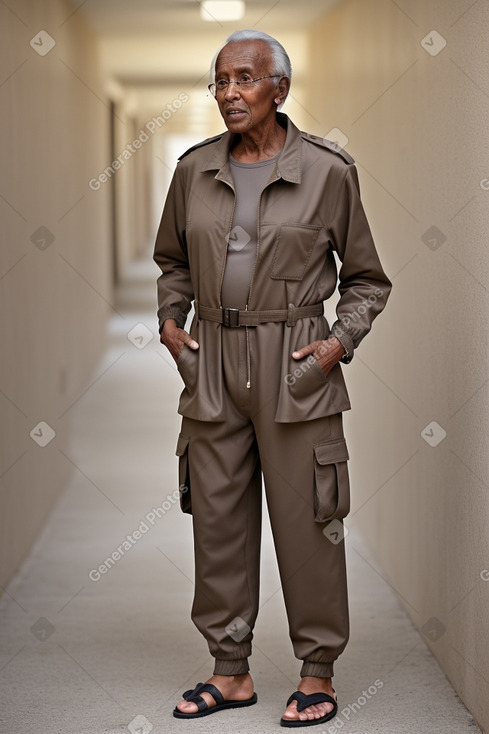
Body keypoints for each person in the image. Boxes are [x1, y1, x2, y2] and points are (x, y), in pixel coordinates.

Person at [153, 29, 391, 728]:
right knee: (218, 521)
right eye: (220, 81)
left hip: (295, 359)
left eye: (245, 79)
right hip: (214, 358)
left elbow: (367, 279)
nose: (230, 93)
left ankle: (316, 671)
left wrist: (335, 345)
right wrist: (172, 322)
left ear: (278, 89)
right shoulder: (193, 170)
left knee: (309, 522)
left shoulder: (327, 171)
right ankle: (229, 672)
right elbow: (171, 261)